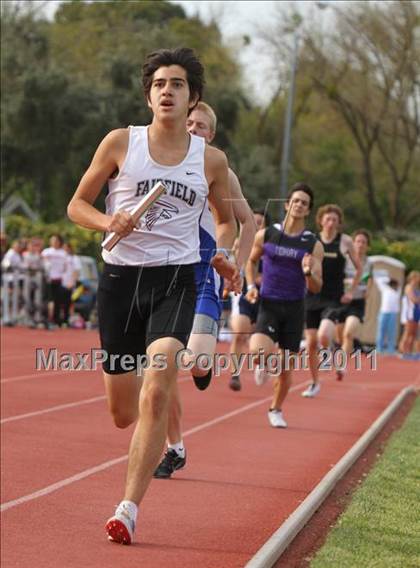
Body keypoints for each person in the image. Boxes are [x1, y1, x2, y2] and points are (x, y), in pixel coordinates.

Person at [67, 47, 240, 545]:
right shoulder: (121, 143)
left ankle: (128, 508)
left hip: (175, 281)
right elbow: (76, 204)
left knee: (161, 379)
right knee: (124, 413)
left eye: (178, 84)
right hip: (121, 282)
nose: (168, 90)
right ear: (149, 94)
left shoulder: (211, 160)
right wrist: (108, 220)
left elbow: (226, 220)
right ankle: (142, 389)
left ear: (194, 97)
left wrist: (223, 252)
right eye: (160, 83)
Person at [153, 101, 256, 479]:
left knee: (194, 362)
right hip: (164, 278)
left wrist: (235, 266)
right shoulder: (158, 161)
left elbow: (247, 223)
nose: (194, 129)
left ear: (211, 134)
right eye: (189, 123)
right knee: (159, 367)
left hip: (203, 279)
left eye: (201, 126)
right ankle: (174, 448)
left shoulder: (220, 172)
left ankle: (204, 362)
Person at [245, 183, 323, 428]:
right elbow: (250, 262)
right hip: (269, 303)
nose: (299, 205)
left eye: (304, 203)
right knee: (258, 352)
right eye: (296, 201)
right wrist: (251, 286)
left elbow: (316, 287)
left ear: (308, 211)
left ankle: (275, 409)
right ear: (288, 204)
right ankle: (264, 362)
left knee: (287, 368)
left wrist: (308, 272)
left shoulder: (312, 244)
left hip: (294, 308)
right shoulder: (267, 234)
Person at [302, 204, 362, 398]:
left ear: (339, 223)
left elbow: (359, 269)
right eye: (327, 219)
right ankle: (314, 382)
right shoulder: (312, 239)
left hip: (333, 298)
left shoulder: (345, 242)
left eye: (334, 220)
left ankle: (328, 355)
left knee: (324, 334)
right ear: (321, 220)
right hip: (312, 295)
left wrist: (351, 291)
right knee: (311, 343)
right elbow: (303, 263)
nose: (331, 223)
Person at [228, 209, 270, 391]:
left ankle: (262, 360)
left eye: (261, 222)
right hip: (244, 294)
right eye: (254, 221)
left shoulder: (271, 245)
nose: (257, 225)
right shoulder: (240, 243)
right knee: (239, 333)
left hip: (267, 297)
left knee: (257, 344)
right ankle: (235, 374)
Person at [333, 229, 373, 379]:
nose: (360, 245)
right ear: (353, 243)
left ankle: (341, 365)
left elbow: (370, 279)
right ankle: (340, 355)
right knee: (340, 338)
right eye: (358, 241)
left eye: (364, 242)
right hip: (341, 301)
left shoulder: (369, 263)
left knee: (349, 333)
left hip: (357, 302)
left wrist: (367, 290)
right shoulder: (345, 259)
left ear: (367, 246)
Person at [41, 234, 68, 327]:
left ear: (59, 242)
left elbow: (65, 267)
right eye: (52, 240)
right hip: (48, 279)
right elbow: (42, 264)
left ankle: (56, 320)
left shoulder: (63, 253)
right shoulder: (46, 252)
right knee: (47, 299)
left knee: (57, 300)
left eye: (56, 240)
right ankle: (45, 319)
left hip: (58, 279)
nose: (54, 242)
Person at [374, 275, 401, 355]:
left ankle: (391, 349)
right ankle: (379, 348)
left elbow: (399, 285)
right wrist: (388, 279)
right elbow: (378, 280)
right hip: (384, 312)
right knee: (381, 330)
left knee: (391, 331)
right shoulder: (385, 288)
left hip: (393, 313)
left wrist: (396, 283)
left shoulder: (398, 290)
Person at [398, 271, 420, 358]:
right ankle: (402, 352)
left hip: (416, 313)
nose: (418, 280)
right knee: (407, 333)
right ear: (413, 278)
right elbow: (414, 299)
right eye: (417, 278)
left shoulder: (416, 288)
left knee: (413, 334)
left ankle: (409, 352)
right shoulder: (408, 287)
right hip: (409, 313)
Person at [62, 243, 82, 326]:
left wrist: (73, 282)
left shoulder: (74, 258)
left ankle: (66, 320)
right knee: (60, 302)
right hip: (60, 282)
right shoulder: (61, 258)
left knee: (68, 303)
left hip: (69, 283)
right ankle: (59, 319)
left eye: (66, 248)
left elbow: (77, 271)